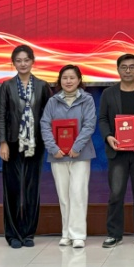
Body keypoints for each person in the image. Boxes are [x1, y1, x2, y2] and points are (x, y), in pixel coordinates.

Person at [98, 54, 134, 248]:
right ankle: (114, 234)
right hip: (117, 151)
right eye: (124, 67)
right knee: (116, 193)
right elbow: (102, 119)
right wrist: (108, 137)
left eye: (132, 67)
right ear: (118, 70)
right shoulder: (108, 93)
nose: (128, 71)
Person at [0, 45, 51, 249]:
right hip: (12, 143)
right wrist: (2, 142)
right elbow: (1, 116)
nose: (22, 64)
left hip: (35, 143)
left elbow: (48, 116)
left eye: (26, 60)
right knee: (12, 189)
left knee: (31, 189)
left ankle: (28, 233)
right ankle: (12, 234)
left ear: (33, 61)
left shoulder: (43, 86)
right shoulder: (7, 86)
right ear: (13, 63)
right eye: (18, 60)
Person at [40, 64, 96, 249]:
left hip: (80, 154)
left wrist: (77, 146)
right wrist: (53, 148)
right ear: (60, 80)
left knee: (78, 193)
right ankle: (66, 233)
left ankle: (78, 235)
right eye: (65, 78)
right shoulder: (53, 101)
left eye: (72, 78)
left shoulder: (87, 99)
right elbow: (45, 125)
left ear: (79, 80)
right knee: (63, 196)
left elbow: (89, 124)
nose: (68, 81)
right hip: (57, 155)